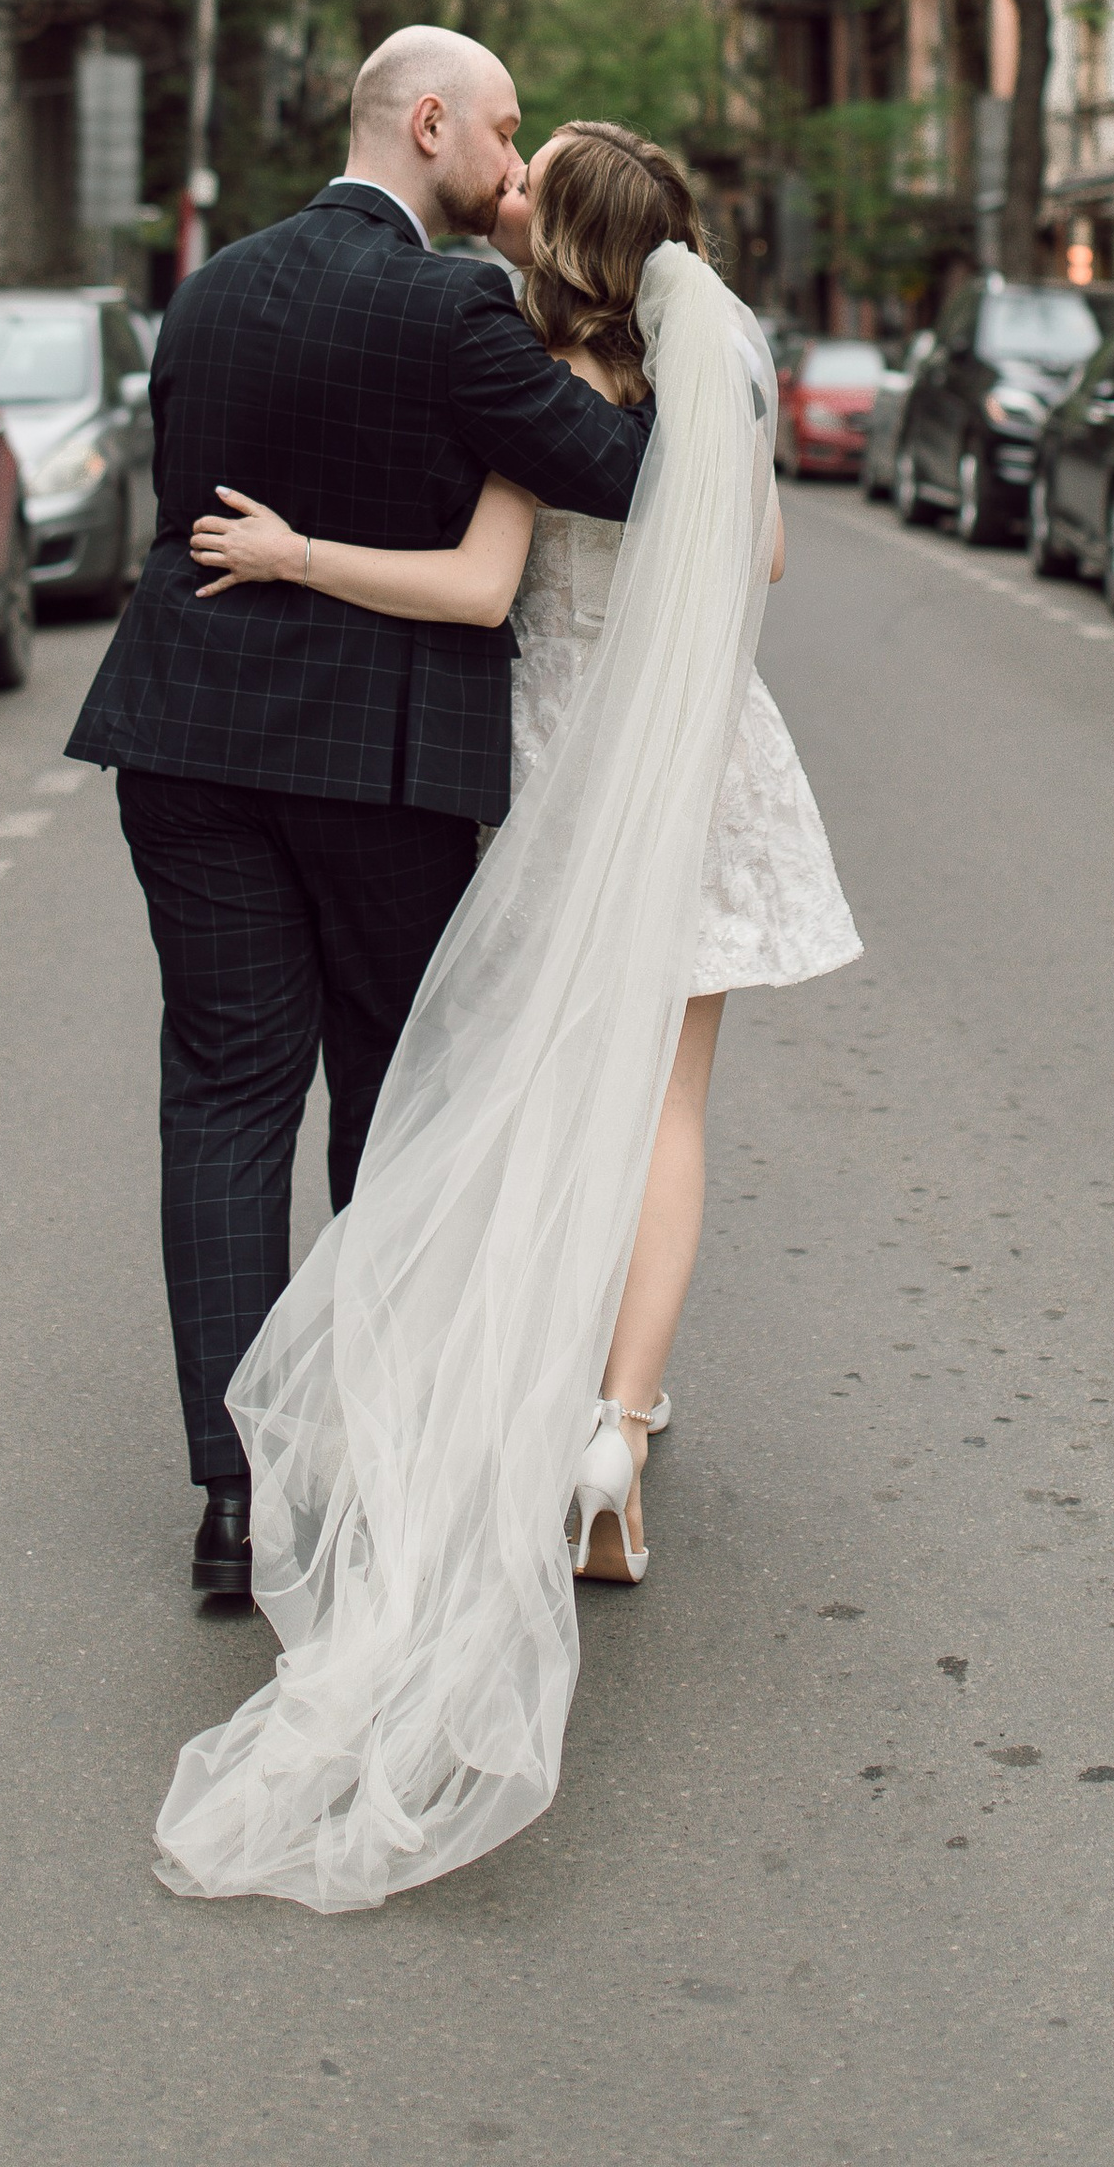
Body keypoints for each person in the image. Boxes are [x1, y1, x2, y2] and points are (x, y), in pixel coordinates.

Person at [151, 123, 855, 1912]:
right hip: (693, 764)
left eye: (538, 178)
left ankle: (439, 1418)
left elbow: (477, 589)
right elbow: (765, 560)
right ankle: (615, 1434)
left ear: (569, 239)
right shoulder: (713, 379)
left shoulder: (542, 380)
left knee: (520, 1096)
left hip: (554, 772)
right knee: (670, 1110)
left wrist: (299, 554)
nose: (512, 185)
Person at [67, 28, 653, 1599]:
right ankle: (379, 1454)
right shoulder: (453, 308)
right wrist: (646, 316)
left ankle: (232, 1503)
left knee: (222, 1100)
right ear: (432, 122)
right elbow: (620, 470)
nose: (514, 165)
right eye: (507, 132)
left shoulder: (209, 292)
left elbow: (183, 496)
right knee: (395, 1105)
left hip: (186, 743)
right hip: (377, 766)